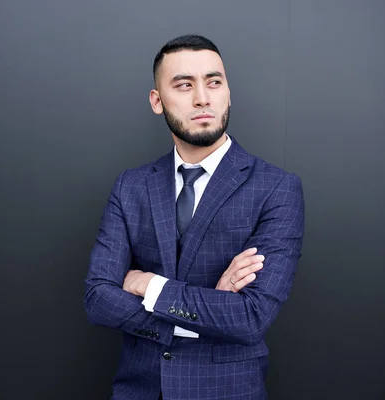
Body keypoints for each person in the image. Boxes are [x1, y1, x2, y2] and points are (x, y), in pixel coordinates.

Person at [84, 34, 305, 400]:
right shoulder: (131, 186)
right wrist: (203, 313)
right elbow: (98, 298)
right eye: (184, 85)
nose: (202, 98)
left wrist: (148, 285)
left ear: (228, 92)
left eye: (214, 82)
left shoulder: (277, 188)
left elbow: (251, 318)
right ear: (157, 101)